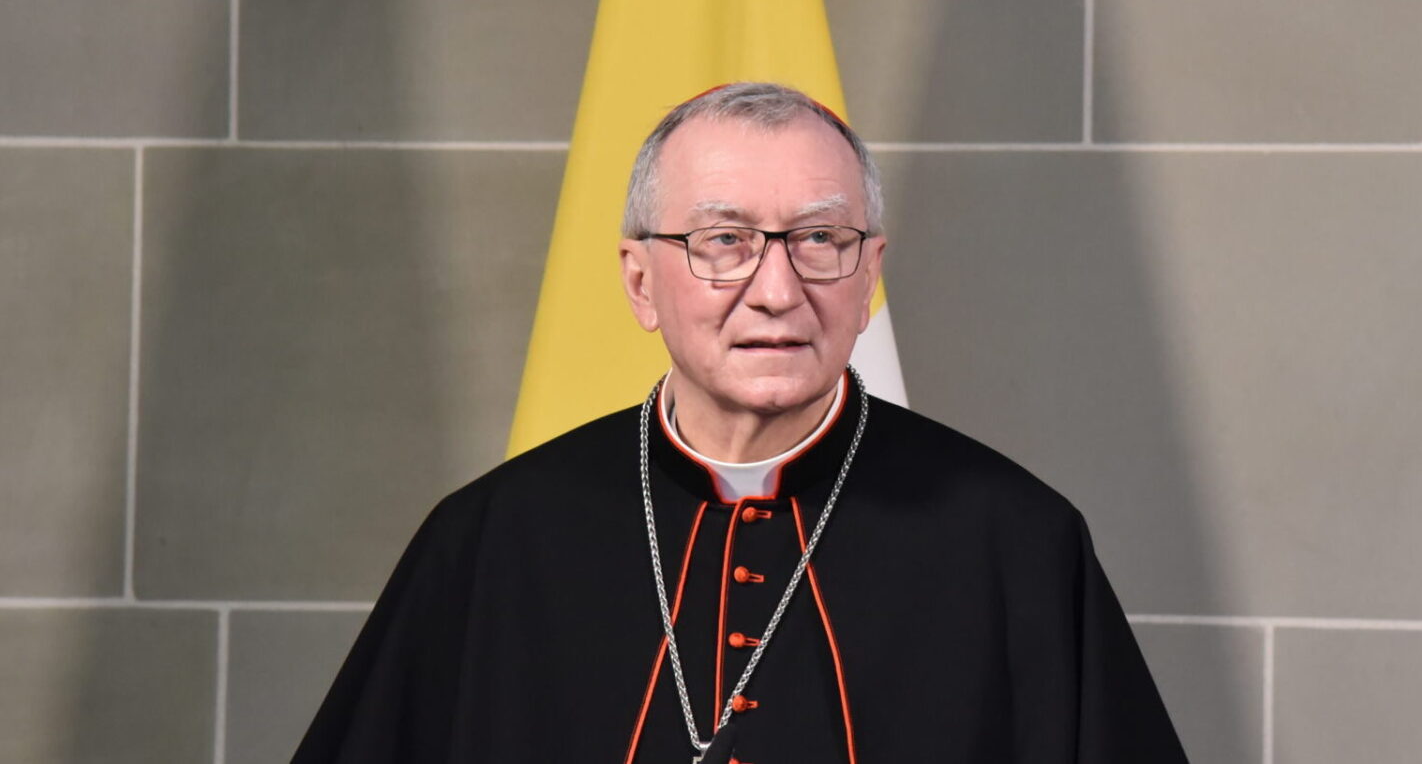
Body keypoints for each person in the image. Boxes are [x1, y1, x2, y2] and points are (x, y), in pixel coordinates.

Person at [292, 82, 1189, 764]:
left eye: (820, 240)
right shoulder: (493, 540)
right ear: (640, 280)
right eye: (725, 241)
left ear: (869, 277)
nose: (777, 290)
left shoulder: (1016, 544)